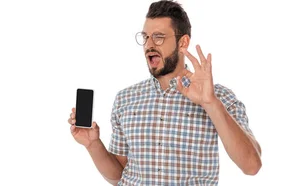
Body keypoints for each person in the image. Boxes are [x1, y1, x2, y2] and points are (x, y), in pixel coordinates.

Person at [67, 1, 262, 185]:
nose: (149, 45)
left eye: (158, 37)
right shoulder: (125, 99)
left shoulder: (218, 97)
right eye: (145, 37)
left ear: (183, 43)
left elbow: (252, 165)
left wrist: (211, 103)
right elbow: (118, 176)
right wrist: (92, 144)